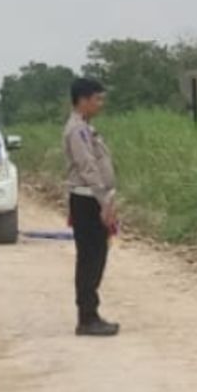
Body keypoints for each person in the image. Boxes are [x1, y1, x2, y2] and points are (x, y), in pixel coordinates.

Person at [64, 78, 120, 337]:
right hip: (88, 199)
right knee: (90, 257)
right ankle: (86, 317)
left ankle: (91, 313)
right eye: (97, 99)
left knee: (98, 257)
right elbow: (87, 166)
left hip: (93, 197)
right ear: (83, 100)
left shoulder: (86, 128)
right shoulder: (77, 130)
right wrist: (103, 200)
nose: (101, 104)